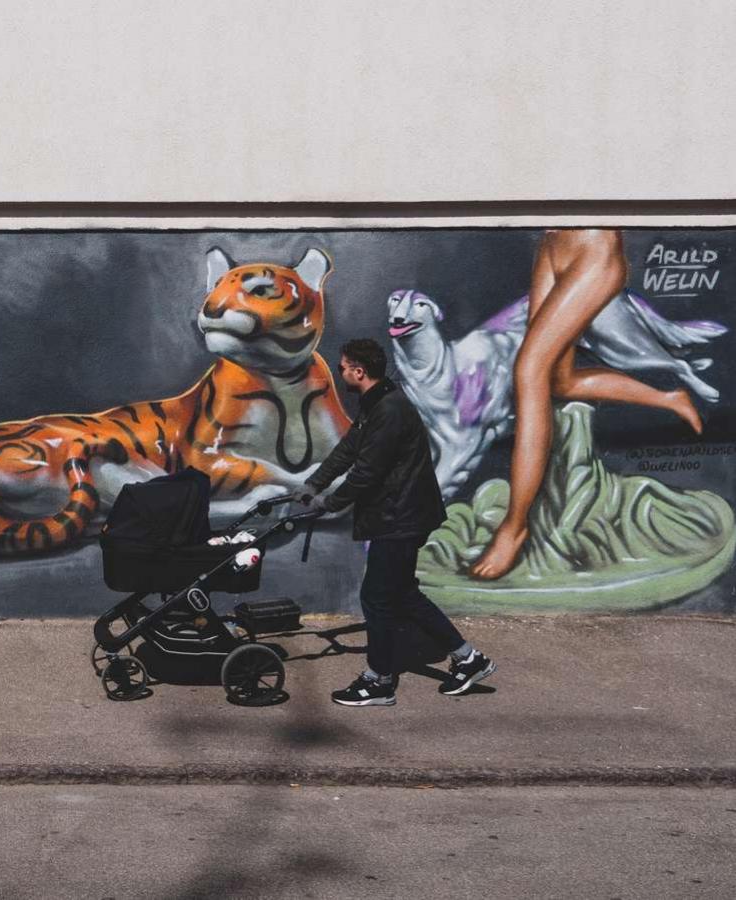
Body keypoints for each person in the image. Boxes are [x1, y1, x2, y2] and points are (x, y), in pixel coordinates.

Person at [469, 229, 703, 579]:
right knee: (559, 381)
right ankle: (668, 397)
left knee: (529, 371)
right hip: (553, 245)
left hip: (593, 251)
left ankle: (514, 527)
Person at [300, 338, 495, 705]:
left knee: (376, 598)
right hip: (399, 514)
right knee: (402, 593)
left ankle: (379, 681)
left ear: (359, 371)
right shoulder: (377, 402)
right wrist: (315, 483)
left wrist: (329, 503)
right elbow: (350, 449)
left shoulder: (390, 410)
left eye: (343, 366)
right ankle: (469, 659)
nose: (339, 371)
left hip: (400, 518)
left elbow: (367, 473)